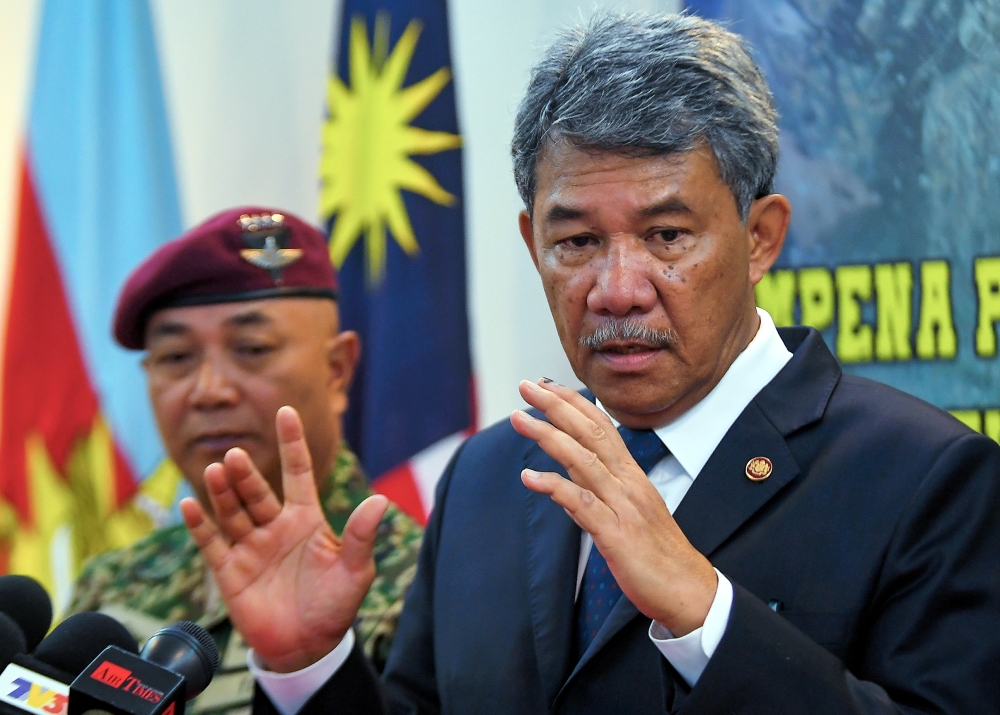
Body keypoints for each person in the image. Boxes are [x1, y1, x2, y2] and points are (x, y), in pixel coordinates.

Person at [182, 14, 1000, 715]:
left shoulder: (927, 480)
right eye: (575, 242)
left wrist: (704, 614)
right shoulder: (492, 474)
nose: (616, 289)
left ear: (760, 239)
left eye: (667, 236)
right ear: (532, 242)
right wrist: (309, 665)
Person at [69, 207, 423, 715]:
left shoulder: (422, 578)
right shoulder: (114, 583)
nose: (208, 391)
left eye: (251, 348)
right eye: (175, 358)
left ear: (337, 371)